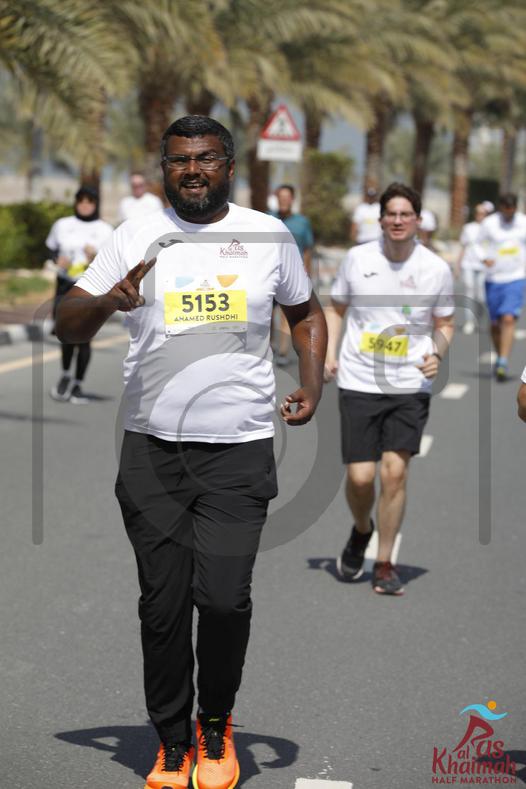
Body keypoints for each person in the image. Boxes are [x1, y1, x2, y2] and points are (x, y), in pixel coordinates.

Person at [56, 115, 327, 789]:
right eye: (179, 160)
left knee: (226, 600)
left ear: (229, 166)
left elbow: (306, 314)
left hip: (238, 450)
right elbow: (67, 322)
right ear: (165, 168)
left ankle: (217, 723)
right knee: (163, 607)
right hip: (152, 453)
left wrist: (312, 383)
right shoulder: (134, 236)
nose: (193, 170)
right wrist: (107, 302)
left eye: (205, 158)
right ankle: (173, 741)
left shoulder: (268, 235)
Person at [325, 182, 454, 596]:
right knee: (361, 477)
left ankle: (383, 562)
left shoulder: (435, 268)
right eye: (391, 214)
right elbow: (336, 309)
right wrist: (329, 352)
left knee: (394, 473)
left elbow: (445, 322)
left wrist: (436, 353)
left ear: (418, 220)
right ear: (380, 219)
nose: (398, 221)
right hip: (359, 378)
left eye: (405, 214)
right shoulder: (358, 259)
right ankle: (362, 529)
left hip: (408, 382)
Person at [46, 186, 113, 403]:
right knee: (65, 333)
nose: (85, 205)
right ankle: (65, 375)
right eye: (81, 200)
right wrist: (57, 260)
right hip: (65, 284)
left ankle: (77, 384)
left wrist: (96, 257)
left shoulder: (105, 229)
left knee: (84, 337)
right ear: (76, 202)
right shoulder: (62, 225)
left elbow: (114, 261)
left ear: (96, 204)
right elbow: (50, 249)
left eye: (89, 201)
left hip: (91, 287)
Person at [476, 193, 526, 381]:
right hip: (493, 278)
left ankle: (503, 361)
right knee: (495, 323)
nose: (509, 214)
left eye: (512, 211)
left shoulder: (523, 222)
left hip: (516, 277)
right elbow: (476, 243)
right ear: (501, 208)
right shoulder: (489, 223)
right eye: (506, 211)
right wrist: (483, 257)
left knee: (508, 319)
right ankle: (499, 355)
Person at [270, 184, 314, 365]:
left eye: (286, 198)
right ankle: (270, 345)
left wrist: (306, 273)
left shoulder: (302, 222)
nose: (283, 201)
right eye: (280, 197)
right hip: (271, 273)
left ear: (292, 200)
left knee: (285, 314)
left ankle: (282, 351)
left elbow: (308, 249)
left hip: (292, 275)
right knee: (268, 313)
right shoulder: (268, 219)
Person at [455, 203, 488, 335]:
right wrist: (457, 265)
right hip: (468, 264)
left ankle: (479, 318)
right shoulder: (468, 228)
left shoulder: (489, 228)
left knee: (481, 295)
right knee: (469, 291)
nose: (481, 216)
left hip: (484, 266)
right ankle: (469, 321)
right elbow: (463, 247)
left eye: (483, 214)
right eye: (479, 213)